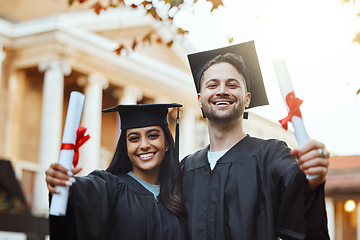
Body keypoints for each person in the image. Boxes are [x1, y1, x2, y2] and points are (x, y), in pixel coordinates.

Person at [182, 41, 330, 240]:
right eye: (212, 85)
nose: (222, 90)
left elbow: (296, 184)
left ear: (248, 99)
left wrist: (311, 179)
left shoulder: (270, 155)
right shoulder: (186, 168)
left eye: (232, 84)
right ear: (200, 99)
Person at [46, 103, 188, 240]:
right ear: (125, 148)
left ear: (167, 143)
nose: (144, 145)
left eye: (152, 135)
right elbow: (82, 193)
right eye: (134, 139)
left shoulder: (181, 193)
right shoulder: (110, 187)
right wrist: (64, 184)